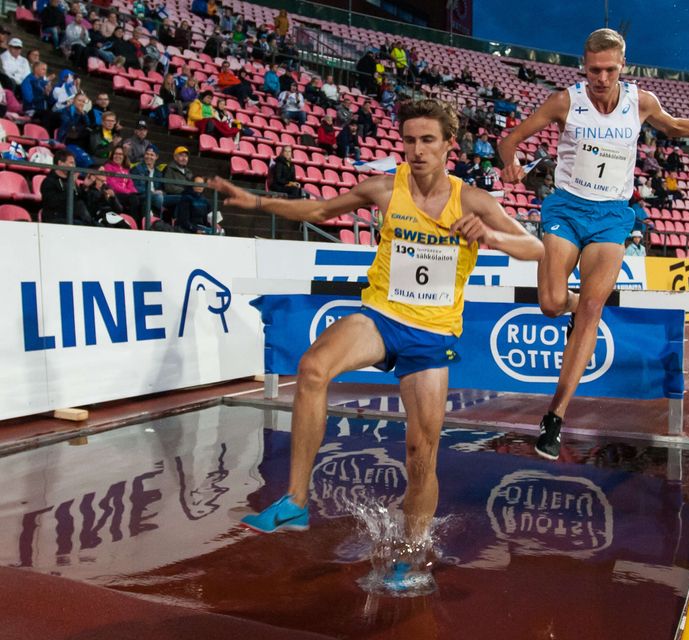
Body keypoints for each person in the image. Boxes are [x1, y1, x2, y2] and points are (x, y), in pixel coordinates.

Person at [210, 100, 544, 568]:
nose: (417, 150)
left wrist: (492, 238)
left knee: (420, 452)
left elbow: (535, 247)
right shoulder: (386, 190)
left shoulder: (473, 201)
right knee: (312, 368)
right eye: (409, 140)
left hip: (431, 333)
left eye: (428, 140)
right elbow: (322, 208)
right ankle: (295, 503)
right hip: (381, 314)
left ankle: (412, 550)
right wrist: (260, 201)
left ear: (450, 145)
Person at [496, 28, 689, 460]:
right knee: (550, 303)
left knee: (592, 312)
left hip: (612, 217)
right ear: (583, 65)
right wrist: (511, 162)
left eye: (609, 70)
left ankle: (555, 417)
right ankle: (574, 304)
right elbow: (509, 140)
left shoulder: (640, 102)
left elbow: (675, 127)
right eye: (593, 69)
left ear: (624, 66)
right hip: (565, 209)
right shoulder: (565, 101)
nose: (601, 78)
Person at [40, 149, 96, 225]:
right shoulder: (49, 181)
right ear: (60, 163)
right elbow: (53, 203)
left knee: (97, 225)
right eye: (71, 163)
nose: (74, 166)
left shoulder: (70, 181)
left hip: (73, 217)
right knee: (83, 225)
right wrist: (70, 185)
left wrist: (84, 187)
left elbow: (81, 200)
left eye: (74, 163)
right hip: (55, 219)